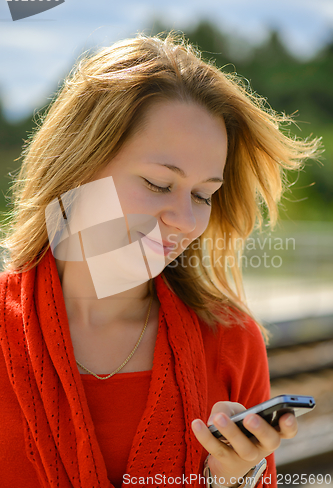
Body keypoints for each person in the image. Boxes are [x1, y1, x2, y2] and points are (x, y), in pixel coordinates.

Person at [0, 33, 321, 488]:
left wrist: (230, 479)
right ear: (76, 168)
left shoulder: (231, 341)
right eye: (157, 183)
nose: (185, 220)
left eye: (203, 194)